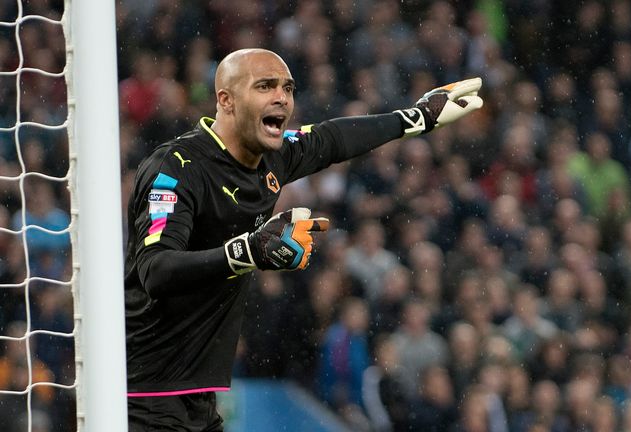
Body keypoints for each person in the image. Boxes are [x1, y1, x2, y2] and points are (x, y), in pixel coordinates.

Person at [123, 47, 483, 431]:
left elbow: (331, 138)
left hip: (196, 394)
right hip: (142, 394)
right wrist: (247, 250)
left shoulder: (270, 157)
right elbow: (155, 269)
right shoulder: (177, 169)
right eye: (265, 86)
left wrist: (417, 117)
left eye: (287, 88)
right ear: (225, 101)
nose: (281, 97)